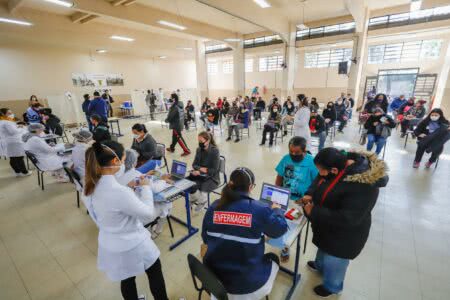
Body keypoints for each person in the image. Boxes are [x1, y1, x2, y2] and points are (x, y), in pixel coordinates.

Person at [83, 141, 168, 300]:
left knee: (127, 278)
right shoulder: (119, 192)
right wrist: (146, 187)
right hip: (131, 242)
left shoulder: (90, 186)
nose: (123, 163)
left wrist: (132, 186)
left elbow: (109, 209)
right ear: (115, 162)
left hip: (110, 242)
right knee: (154, 269)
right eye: (122, 159)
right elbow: (148, 214)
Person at [299, 148, 388, 297]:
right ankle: (320, 266)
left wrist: (314, 212)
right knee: (323, 250)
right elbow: (319, 179)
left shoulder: (363, 185)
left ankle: (332, 286)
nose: (319, 173)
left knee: (335, 261)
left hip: (345, 236)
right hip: (327, 225)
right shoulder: (336, 167)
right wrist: (310, 193)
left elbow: (349, 218)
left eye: (321, 170)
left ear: (333, 169)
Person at [201, 167, 288, 299]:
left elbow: (206, 238)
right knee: (273, 257)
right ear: (251, 187)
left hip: (215, 281)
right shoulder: (260, 210)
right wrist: (276, 210)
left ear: (230, 184)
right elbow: (279, 230)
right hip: (247, 286)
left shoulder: (214, 206)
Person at [275, 136, 317, 260]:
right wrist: (277, 192)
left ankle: (285, 247)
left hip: (300, 202)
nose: (293, 154)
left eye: (297, 152)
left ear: (304, 151)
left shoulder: (311, 163)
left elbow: (317, 183)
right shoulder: (285, 159)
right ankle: (282, 244)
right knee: (281, 221)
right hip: (284, 197)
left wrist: (309, 198)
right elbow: (279, 177)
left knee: (292, 226)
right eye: (291, 151)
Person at [118, 149, 173, 239]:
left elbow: (138, 181)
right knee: (167, 203)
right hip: (139, 215)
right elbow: (155, 188)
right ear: (134, 163)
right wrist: (163, 180)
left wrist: (146, 174)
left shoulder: (118, 174)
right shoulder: (135, 174)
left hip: (124, 213)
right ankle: (157, 230)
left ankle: (153, 226)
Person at [185, 132, 220, 212]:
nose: (199, 143)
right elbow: (194, 164)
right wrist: (200, 169)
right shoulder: (198, 150)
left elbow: (214, 170)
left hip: (212, 177)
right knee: (188, 182)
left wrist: (204, 170)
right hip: (199, 174)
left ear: (207, 141)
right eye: (198, 141)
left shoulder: (215, 151)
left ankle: (202, 201)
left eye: (201, 141)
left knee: (202, 188)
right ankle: (194, 199)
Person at [0, 108, 31, 176]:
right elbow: (13, 132)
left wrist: (17, 126)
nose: (11, 114)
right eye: (9, 113)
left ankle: (17, 172)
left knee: (13, 157)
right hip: (13, 141)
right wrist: (20, 128)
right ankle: (24, 172)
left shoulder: (3, 121)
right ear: (3, 114)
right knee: (19, 157)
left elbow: (10, 128)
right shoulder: (6, 122)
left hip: (9, 141)